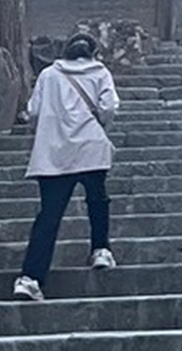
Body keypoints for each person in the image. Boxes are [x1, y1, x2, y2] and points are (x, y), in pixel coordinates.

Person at [13, 32, 120, 301]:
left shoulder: (49, 74)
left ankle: (31, 278)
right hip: (90, 147)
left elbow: (34, 112)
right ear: (93, 53)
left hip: (54, 154)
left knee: (48, 216)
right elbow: (109, 107)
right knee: (97, 199)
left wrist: (51, 131)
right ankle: (101, 250)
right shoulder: (100, 72)